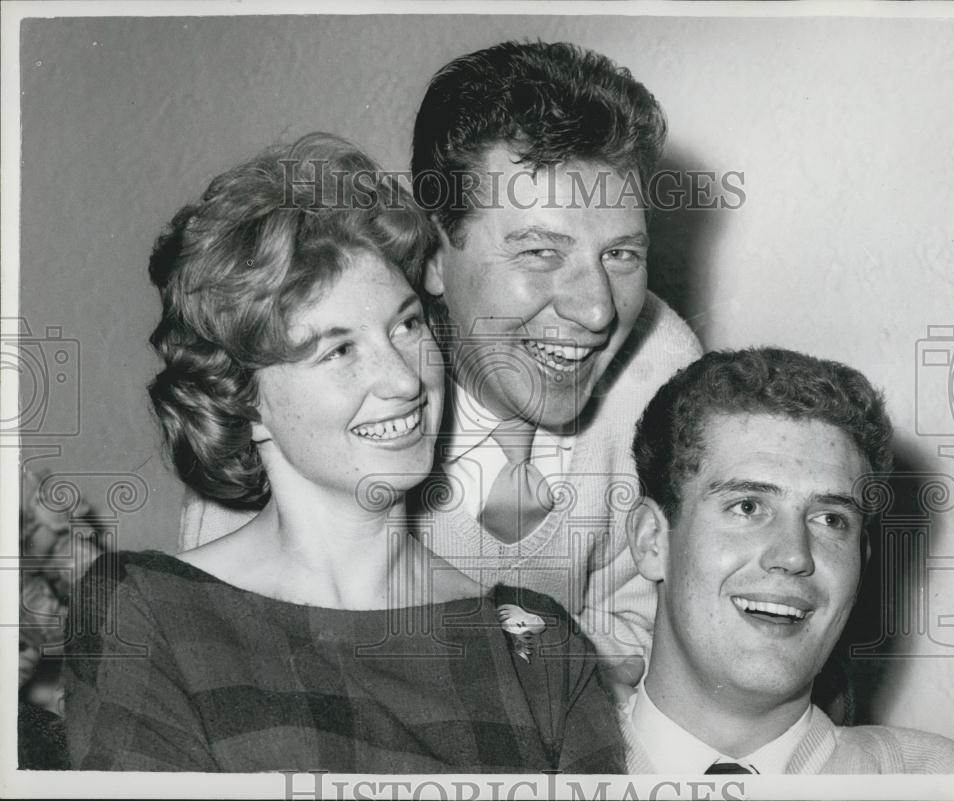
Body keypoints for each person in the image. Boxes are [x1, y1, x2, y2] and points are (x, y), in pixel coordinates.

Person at [62, 133, 624, 773]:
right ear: (242, 400)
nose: (405, 380)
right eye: (339, 350)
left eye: (406, 325)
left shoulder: (537, 647)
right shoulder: (151, 615)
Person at [181, 41, 702, 678]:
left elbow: (659, 640)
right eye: (539, 252)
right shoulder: (312, 393)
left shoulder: (662, 367)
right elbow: (224, 652)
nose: (597, 311)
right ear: (432, 254)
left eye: (620, 255)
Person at [623, 347, 954, 774]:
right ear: (651, 542)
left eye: (830, 519)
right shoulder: (543, 768)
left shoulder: (937, 779)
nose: (794, 555)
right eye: (749, 507)